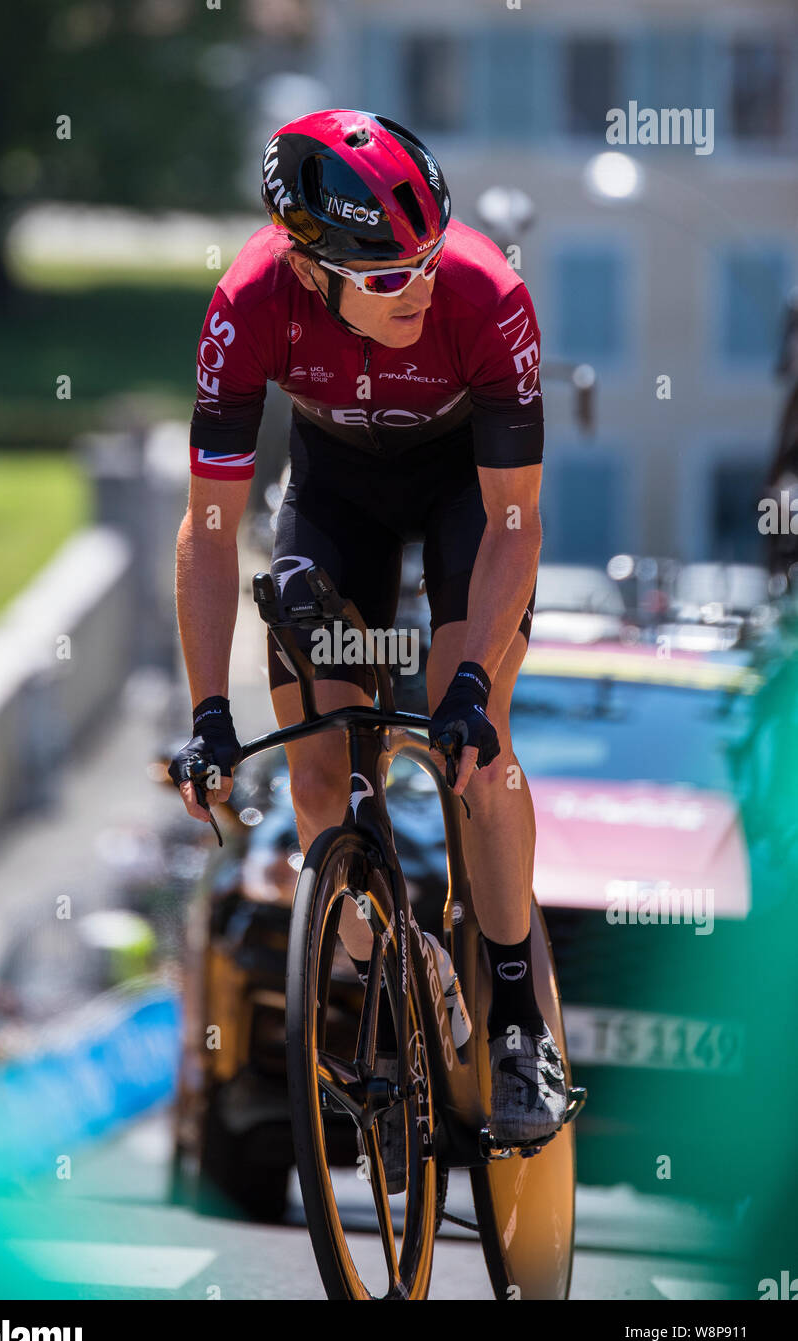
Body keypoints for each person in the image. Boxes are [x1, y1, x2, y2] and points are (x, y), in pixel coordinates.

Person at [168, 109, 566, 1151]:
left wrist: (473, 681)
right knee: (314, 773)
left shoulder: (488, 296)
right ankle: (389, 976)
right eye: (387, 276)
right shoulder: (246, 304)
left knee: (472, 744)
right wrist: (208, 712)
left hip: (462, 500)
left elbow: (514, 524)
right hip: (335, 491)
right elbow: (210, 535)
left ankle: (522, 1021)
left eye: (426, 256)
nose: (420, 286)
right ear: (309, 268)